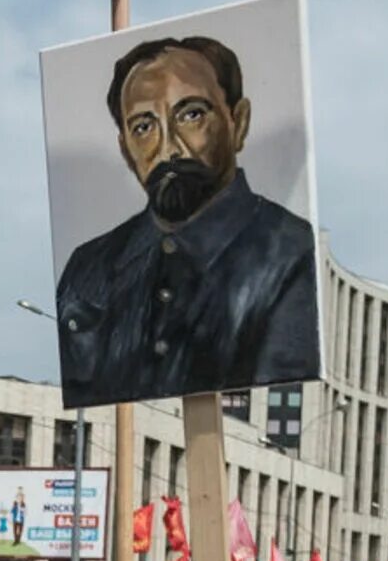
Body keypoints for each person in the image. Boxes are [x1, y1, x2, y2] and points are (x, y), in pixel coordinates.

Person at [56, 36, 317, 408]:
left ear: (238, 122)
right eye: (144, 127)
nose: (168, 148)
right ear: (124, 148)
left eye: (191, 114)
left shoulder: (291, 255)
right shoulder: (87, 269)